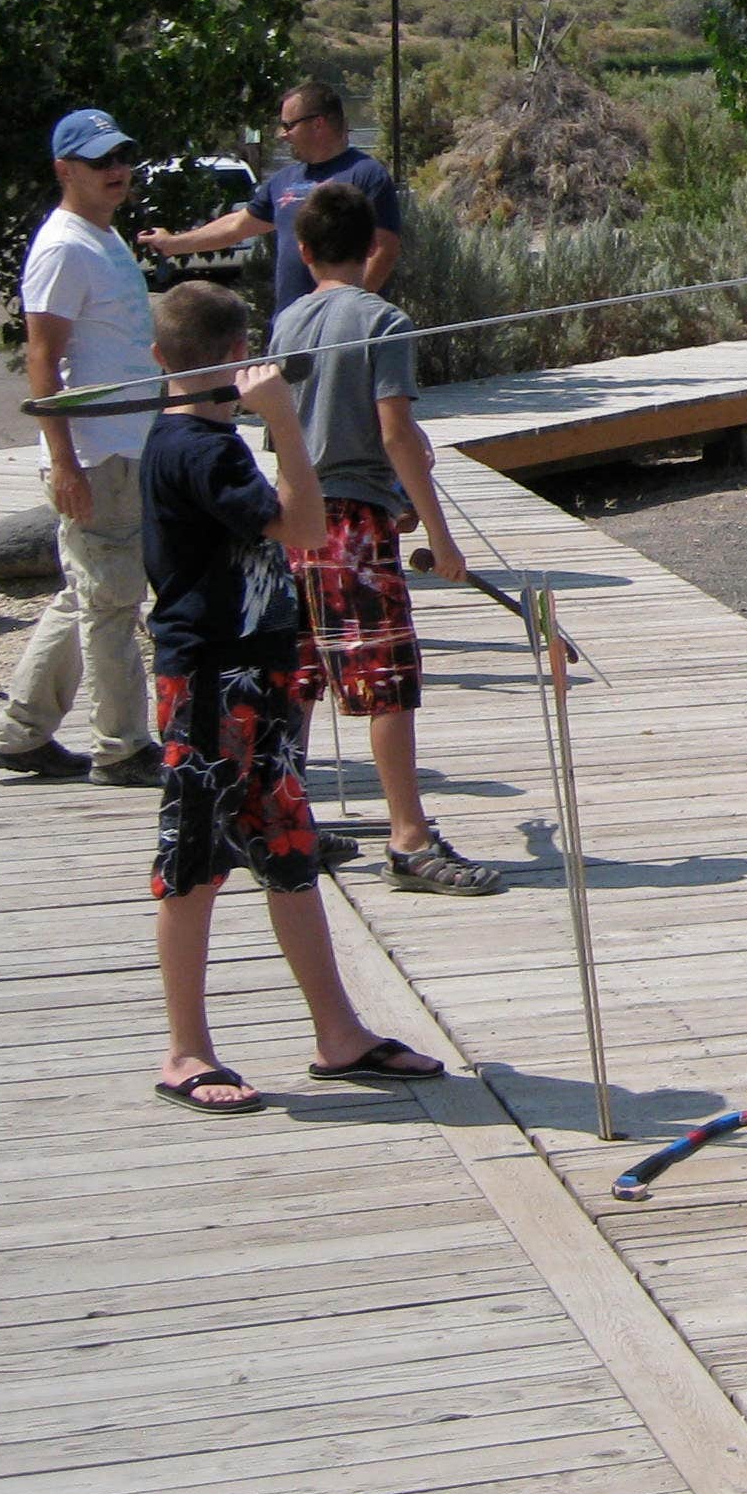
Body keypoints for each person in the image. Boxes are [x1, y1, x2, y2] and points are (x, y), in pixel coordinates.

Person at [136, 279, 446, 1116]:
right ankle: (185, 1050)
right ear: (240, 360)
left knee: (288, 854)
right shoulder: (198, 451)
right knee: (192, 863)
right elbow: (306, 529)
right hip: (210, 681)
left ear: (159, 357)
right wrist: (283, 421)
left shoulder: (202, 441)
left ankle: (338, 1034)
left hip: (258, 676)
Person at [270, 179, 501, 896]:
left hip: (293, 519)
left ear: (304, 252)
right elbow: (395, 433)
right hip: (354, 527)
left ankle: (287, 822)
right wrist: (441, 534)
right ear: (373, 247)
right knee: (386, 682)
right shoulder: (383, 320)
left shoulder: (285, 325)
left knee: (303, 678)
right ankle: (407, 839)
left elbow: (293, 424)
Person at [0, 108, 161, 786]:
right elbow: (43, 357)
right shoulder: (63, 246)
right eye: (99, 162)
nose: (116, 171)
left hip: (127, 442)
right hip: (96, 451)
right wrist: (62, 459)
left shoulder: (103, 236)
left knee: (91, 593)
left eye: (121, 156)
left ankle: (23, 731)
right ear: (65, 171)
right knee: (115, 601)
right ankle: (121, 746)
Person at [143, 78, 404, 313]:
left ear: (318, 124)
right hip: (291, 328)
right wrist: (174, 244)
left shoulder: (366, 175)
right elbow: (236, 226)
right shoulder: (282, 180)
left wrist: (345, 313)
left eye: (288, 126)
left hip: (344, 332)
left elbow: (384, 249)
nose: (282, 135)